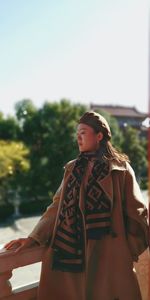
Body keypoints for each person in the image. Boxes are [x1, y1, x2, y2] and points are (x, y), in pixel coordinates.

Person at [4, 111, 149, 300]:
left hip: (110, 256)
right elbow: (56, 207)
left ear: (99, 136)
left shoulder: (120, 169)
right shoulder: (72, 169)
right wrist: (33, 238)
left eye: (83, 132)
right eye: (77, 133)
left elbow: (138, 212)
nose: (78, 138)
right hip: (71, 252)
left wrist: (126, 250)